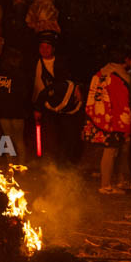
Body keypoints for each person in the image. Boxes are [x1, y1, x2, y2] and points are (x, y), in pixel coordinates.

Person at [83, 47, 131, 194]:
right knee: (110, 151)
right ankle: (106, 185)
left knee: (109, 151)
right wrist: (125, 125)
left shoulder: (101, 73)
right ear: (126, 60)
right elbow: (121, 103)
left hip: (99, 117)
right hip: (113, 120)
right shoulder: (118, 77)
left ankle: (111, 182)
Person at [32, 32, 82, 164]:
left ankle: (66, 163)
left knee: (65, 135)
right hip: (42, 105)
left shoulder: (61, 62)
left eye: (47, 47)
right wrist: (36, 106)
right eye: (41, 47)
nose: (44, 50)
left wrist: (77, 87)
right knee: (48, 137)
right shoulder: (33, 62)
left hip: (60, 104)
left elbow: (67, 81)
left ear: (53, 48)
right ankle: (49, 164)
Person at [0, 47, 29, 164]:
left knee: (7, 139)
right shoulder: (20, 74)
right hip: (17, 112)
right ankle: (21, 167)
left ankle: (11, 165)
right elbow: (24, 94)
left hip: (3, 111)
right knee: (19, 139)